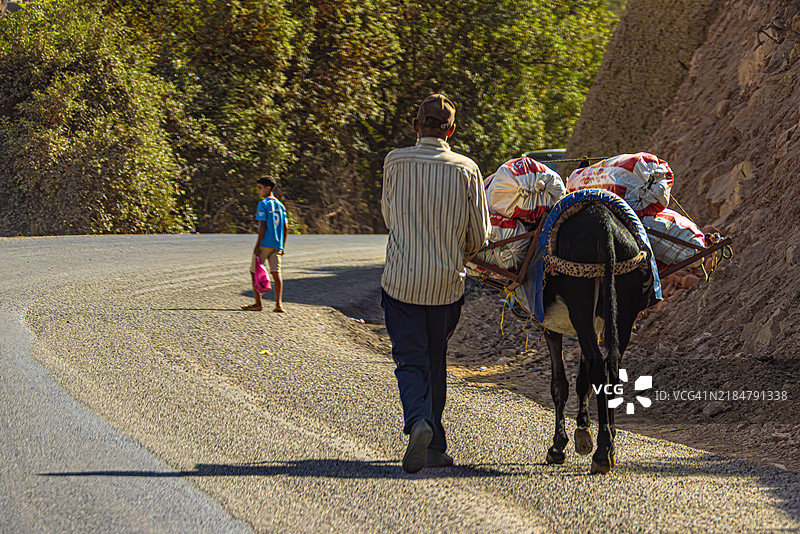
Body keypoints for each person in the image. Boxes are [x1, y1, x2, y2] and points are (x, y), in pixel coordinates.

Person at [381, 94, 490, 473]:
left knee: (409, 359)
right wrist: (458, 251)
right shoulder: (468, 169)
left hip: (401, 282)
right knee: (435, 358)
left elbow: (390, 219)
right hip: (447, 286)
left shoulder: (395, 161)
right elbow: (479, 236)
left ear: (416, 126)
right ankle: (435, 445)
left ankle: (419, 422)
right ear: (452, 130)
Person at [242, 176, 288, 313]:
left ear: (268, 188)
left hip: (265, 244)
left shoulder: (263, 204)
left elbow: (262, 226)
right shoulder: (281, 205)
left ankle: (258, 304)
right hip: (277, 244)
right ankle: (279, 304)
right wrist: (283, 245)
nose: (258, 191)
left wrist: (257, 245)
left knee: (254, 271)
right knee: (276, 272)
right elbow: (285, 227)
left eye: (260, 188)